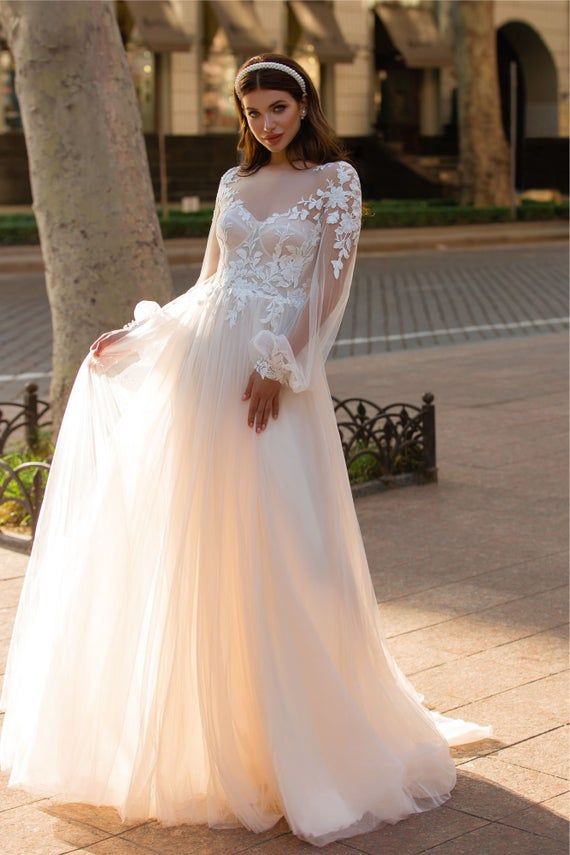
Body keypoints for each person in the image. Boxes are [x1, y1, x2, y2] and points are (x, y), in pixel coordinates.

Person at [0, 54, 492, 848]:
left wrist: (278, 366)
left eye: (280, 107)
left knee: (285, 547)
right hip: (205, 371)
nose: (267, 123)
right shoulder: (234, 185)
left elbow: (325, 292)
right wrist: (138, 335)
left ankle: (297, 737)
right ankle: (210, 730)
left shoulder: (336, 182)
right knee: (205, 545)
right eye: (255, 110)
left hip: (273, 379)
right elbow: (209, 283)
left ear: (305, 105)